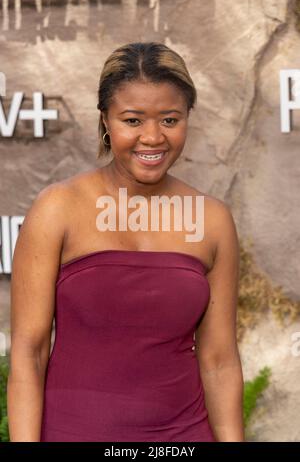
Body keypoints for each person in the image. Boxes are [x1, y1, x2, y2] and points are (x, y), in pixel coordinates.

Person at [7, 42, 245, 442]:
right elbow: (29, 354)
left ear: (188, 118)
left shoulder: (213, 220)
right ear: (105, 120)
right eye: (132, 120)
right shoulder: (58, 208)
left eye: (170, 119)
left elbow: (220, 361)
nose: (152, 138)